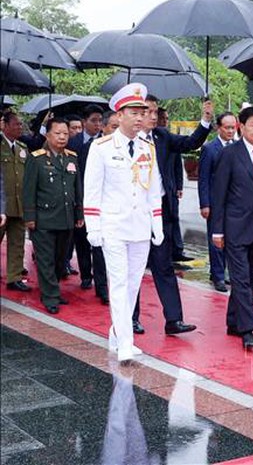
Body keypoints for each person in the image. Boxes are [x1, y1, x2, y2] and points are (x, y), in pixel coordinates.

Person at [83, 83, 163, 362]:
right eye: (134, 112)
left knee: (132, 285)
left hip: (140, 226)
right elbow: (92, 189)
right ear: (119, 114)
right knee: (118, 283)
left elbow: (153, 189)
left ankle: (117, 332)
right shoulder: (101, 147)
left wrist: (158, 223)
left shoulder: (147, 147)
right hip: (113, 226)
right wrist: (93, 226)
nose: (140, 118)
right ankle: (126, 343)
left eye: (143, 112)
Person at [134, 95, 212, 336]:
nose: (153, 115)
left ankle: (174, 320)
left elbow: (190, 143)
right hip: (135, 213)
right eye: (147, 111)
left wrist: (205, 121)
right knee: (134, 268)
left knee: (164, 266)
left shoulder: (162, 136)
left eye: (155, 111)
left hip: (162, 211)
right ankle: (131, 318)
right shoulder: (125, 141)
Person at [211, 106, 253, 350]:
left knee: (249, 279)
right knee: (240, 280)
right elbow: (219, 194)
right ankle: (248, 328)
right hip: (235, 227)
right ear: (242, 127)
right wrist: (217, 230)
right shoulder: (230, 154)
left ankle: (233, 320)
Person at [23, 117, 84, 314]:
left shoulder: (72, 157)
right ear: (47, 135)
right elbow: (28, 189)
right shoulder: (37, 158)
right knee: (45, 259)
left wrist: (79, 213)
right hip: (44, 218)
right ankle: (50, 296)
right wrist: (30, 217)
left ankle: (52, 289)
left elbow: (77, 188)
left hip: (66, 217)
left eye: (65, 134)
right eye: (57, 133)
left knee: (60, 260)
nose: (62, 137)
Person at [67, 104, 109, 302]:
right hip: (80, 198)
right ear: (84, 122)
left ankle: (102, 288)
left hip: (101, 201)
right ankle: (86, 275)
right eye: (94, 121)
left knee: (99, 245)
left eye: (100, 121)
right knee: (82, 240)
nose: (97, 124)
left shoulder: (105, 143)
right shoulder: (73, 143)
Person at [198, 112, 236, 292]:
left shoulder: (237, 147)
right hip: (214, 202)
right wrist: (204, 203)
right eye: (227, 127)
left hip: (233, 202)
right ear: (218, 128)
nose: (230, 131)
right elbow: (203, 178)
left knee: (229, 239)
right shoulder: (209, 148)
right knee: (215, 239)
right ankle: (218, 276)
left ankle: (221, 273)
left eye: (233, 127)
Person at [1, 111, 31, 292]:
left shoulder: (22, 148)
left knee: (17, 242)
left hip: (19, 203)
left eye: (21, 124)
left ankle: (14, 277)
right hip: (2, 204)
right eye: (16, 124)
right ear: (5, 125)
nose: (19, 127)